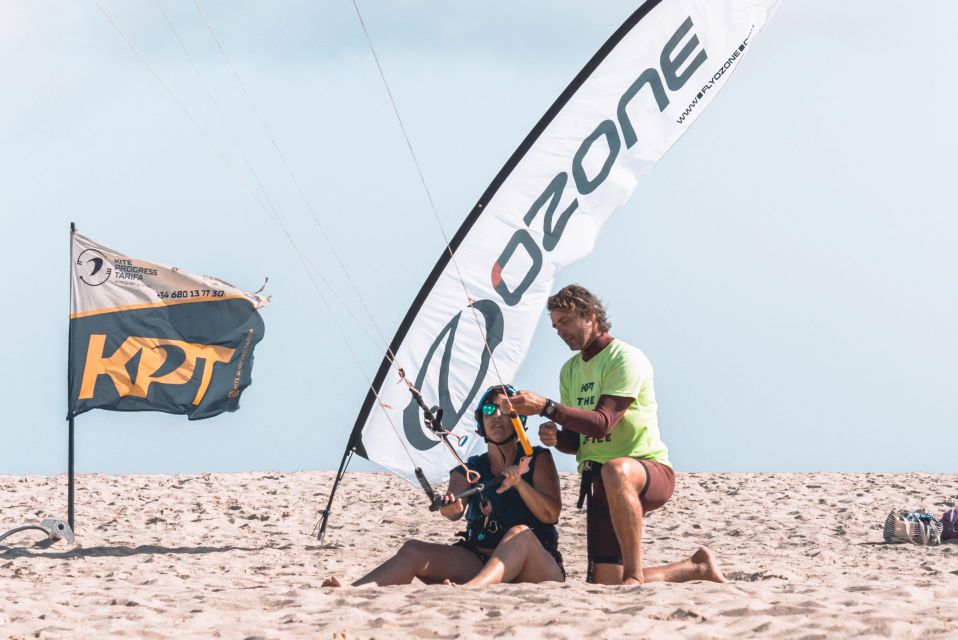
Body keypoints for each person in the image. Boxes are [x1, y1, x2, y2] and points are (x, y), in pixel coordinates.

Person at [509, 284, 727, 586]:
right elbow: (577, 441)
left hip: (646, 470)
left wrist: (546, 407)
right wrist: (556, 437)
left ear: (589, 315)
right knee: (605, 582)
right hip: (599, 480)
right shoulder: (569, 371)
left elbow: (602, 424)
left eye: (565, 321)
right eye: (556, 325)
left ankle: (635, 576)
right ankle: (695, 567)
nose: (560, 331)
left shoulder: (625, 358)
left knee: (615, 469)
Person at [322, 384, 565, 587]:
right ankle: (355, 591)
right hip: (479, 559)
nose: (496, 416)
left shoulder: (537, 458)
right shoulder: (468, 469)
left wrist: (520, 484)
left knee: (519, 534)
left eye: (504, 409)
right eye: (489, 410)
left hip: (534, 565)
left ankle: (470, 590)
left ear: (517, 419)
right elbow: (454, 510)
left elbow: (550, 513)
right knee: (413, 549)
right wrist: (450, 507)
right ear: (481, 419)